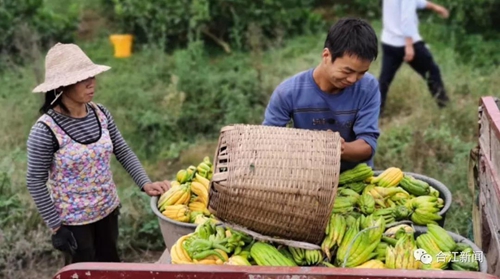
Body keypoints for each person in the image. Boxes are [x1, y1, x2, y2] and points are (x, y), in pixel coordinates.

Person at [26, 42, 170, 265]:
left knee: (110, 266)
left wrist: (145, 183)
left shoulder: (100, 113)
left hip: (108, 211)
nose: (91, 83)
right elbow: (35, 181)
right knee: (85, 271)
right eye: (82, 79)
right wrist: (56, 226)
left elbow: (122, 150)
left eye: (91, 76)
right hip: (74, 224)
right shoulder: (45, 130)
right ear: (62, 86)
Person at [262, 18, 381, 173]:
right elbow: (267, 143)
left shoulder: (367, 87)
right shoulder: (288, 93)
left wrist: (337, 148)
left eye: (362, 73)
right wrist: (309, 148)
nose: (353, 79)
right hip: (308, 178)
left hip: (355, 180)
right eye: (347, 71)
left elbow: (368, 145)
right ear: (326, 56)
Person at [379, 0, 450, 114]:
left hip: (389, 41)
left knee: (384, 80)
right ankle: (446, 109)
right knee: (432, 73)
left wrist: (435, 7)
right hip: (407, 43)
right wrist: (409, 45)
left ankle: (373, 115)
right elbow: (407, 17)